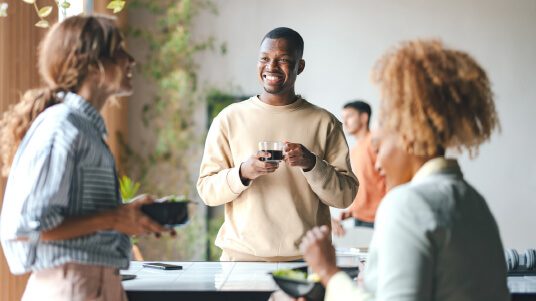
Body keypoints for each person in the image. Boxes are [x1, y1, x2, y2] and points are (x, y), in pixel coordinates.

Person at [299, 39, 509, 300]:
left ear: (408, 137)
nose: (377, 163)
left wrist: (328, 272)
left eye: (379, 146)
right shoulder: (475, 202)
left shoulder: (407, 204)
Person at [0, 15, 173, 301]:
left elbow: (75, 215)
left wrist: (131, 216)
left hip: (94, 285)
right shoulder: (62, 127)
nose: (131, 60)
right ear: (95, 65)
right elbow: (24, 225)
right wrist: (116, 217)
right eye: (120, 51)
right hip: (71, 287)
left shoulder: (83, 128)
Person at [197, 27, 358, 262]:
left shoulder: (325, 122)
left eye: (283, 60)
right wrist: (243, 172)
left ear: (300, 66)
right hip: (241, 262)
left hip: (306, 263)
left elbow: (345, 197)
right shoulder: (228, 119)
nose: (271, 67)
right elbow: (207, 191)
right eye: (264, 58)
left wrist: (313, 164)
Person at [331, 101, 386, 236]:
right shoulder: (355, 150)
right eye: (343, 118)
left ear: (363, 118)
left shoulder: (375, 142)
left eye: (349, 116)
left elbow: (389, 179)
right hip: (360, 218)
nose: (345, 122)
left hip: (378, 218)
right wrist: (353, 210)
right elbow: (365, 183)